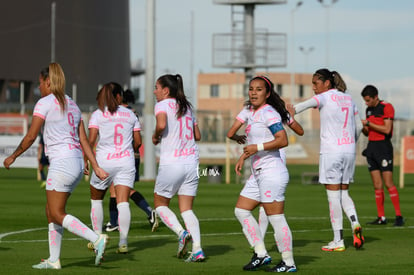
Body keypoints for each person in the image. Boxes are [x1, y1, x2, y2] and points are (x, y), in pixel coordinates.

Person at [3, 62, 109, 269]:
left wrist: (13, 156)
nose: (39, 87)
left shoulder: (45, 103)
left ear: (48, 82)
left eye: (40, 83)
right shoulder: (73, 104)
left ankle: (96, 238)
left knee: (57, 212)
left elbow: (31, 135)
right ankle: (54, 259)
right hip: (75, 162)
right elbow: (84, 140)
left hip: (62, 163)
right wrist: (93, 165)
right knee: (51, 210)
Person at [227, 75, 297, 272]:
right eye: (251, 89)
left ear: (267, 93)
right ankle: (261, 253)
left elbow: (283, 140)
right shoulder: (250, 111)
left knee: (276, 217)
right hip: (258, 174)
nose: (253, 93)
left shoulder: (269, 113)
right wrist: (244, 149)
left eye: (258, 89)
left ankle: (289, 262)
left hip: (272, 172)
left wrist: (255, 147)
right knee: (241, 210)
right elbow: (232, 133)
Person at [293, 68, 364, 252]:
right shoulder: (348, 98)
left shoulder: (324, 97)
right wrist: (351, 142)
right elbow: (359, 126)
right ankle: (355, 223)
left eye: (316, 84)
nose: (314, 88)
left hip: (331, 152)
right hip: (349, 151)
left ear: (326, 83)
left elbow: (299, 107)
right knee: (344, 193)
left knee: (333, 197)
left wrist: (286, 111)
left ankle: (338, 240)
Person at [152, 74, 205, 262]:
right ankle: (197, 249)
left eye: (156, 88)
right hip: (191, 162)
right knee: (187, 209)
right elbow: (197, 135)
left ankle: (181, 232)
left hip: (172, 162)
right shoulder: (188, 107)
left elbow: (161, 124)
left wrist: (156, 135)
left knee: (160, 204)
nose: (154, 91)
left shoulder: (162, 105)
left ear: (166, 91)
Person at [88, 82, 141, 254]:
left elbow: (91, 141)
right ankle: (123, 243)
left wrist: (86, 161)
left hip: (104, 162)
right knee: (123, 203)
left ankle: (97, 238)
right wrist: (127, 152)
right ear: (119, 96)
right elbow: (138, 142)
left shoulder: (97, 114)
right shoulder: (131, 115)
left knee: (96, 200)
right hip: (126, 162)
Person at [104, 89, 158, 233]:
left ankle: (147, 211)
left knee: (120, 189)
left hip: (121, 157)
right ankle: (114, 222)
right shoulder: (133, 112)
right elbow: (138, 140)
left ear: (118, 97)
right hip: (132, 156)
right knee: (118, 189)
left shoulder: (116, 113)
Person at [360, 85, 404, 226]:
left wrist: (369, 123)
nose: (366, 103)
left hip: (383, 148)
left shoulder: (387, 107)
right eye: (365, 101)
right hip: (371, 148)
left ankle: (398, 216)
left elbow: (387, 129)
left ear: (375, 97)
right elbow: (368, 132)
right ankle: (381, 217)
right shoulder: (369, 110)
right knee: (377, 185)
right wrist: (363, 127)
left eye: (368, 100)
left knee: (388, 183)